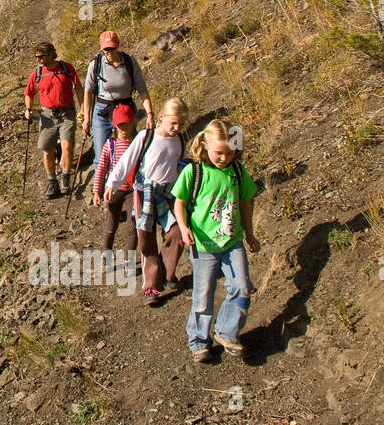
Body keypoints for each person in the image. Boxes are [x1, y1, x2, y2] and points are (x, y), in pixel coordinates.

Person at [170, 119, 260, 364]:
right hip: (203, 244)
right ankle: (199, 340)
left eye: (229, 153)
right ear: (205, 145)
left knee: (242, 286)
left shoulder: (238, 172)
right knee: (203, 294)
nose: (224, 158)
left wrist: (249, 233)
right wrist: (183, 226)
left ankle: (227, 332)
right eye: (219, 152)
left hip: (232, 241)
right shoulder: (195, 172)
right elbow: (178, 202)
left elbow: (245, 203)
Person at [108, 97, 189, 305]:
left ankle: (167, 273)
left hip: (169, 193)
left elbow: (178, 166)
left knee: (177, 231)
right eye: (173, 123)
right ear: (161, 117)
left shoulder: (180, 139)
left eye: (181, 124)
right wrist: (112, 184)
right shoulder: (146, 136)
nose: (176, 128)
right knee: (147, 237)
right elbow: (127, 161)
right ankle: (151, 287)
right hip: (144, 191)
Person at [82, 31, 153, 177]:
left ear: (117, 46)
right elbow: (88, 92)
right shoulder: (96, 65)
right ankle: (101, 189)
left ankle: (127, 184)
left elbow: (142, 89)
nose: (108, 52)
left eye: (111, 48)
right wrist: (86, 118)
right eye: (106, 49)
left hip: (125, 110)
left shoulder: (129, 62)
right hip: (102, 110)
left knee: (127, 149)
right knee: (101, 152)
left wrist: (150, 114)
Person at [24, 42, 84, 200]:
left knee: (67, 145)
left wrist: (83, 108)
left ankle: (65, 177)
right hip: (47, 115)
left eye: (40, 56)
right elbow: (29, 93)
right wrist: (28, 109)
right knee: (47, 149)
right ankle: (52, 181)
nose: (38, 59)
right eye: (36, 56)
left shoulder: (66, 68)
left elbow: (78, 87)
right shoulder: (37, 73)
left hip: (67, 113)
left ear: (51, 54)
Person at [92, 104, 138, 266]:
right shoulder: (110, 145)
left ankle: (128, 260)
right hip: (114, 190)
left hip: (133, 190)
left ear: (133, 122)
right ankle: (106, 253)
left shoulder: (138, 144)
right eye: (120, 125)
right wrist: (97, 191)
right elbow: (101, 169)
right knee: (111, 223)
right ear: (114, 125)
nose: (124, 128)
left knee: (132, 226)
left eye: (127, 124)